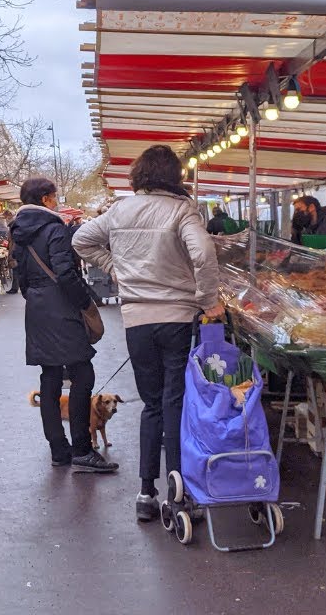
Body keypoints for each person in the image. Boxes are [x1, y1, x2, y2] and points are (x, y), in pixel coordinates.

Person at [72, 145, 223, 522]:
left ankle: (145, 492)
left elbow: (80, 241)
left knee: (151, 404)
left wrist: (117, 269)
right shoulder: (181, 209)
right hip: (176, 318)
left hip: (137, 320)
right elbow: (203, 254)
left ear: (139, 175)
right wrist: (207, 300)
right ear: (174, 176)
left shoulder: (119, 209)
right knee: (174, 402)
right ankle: (178, 493)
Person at [10, 178, 118, 474]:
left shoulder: (18, 231)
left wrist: (37, 298)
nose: (57, 201)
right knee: (83, 374)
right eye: (54, 196)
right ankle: (82, 448)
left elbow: (22, 278)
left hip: (37, 309)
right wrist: (85, 302)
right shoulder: (54, 228)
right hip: (62, 308)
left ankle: (59, 449)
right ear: (45, 199)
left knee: (51, 376)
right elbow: (65, 272)